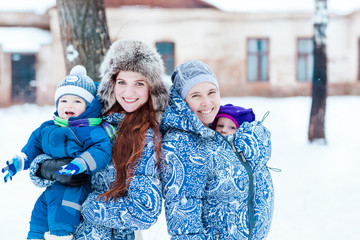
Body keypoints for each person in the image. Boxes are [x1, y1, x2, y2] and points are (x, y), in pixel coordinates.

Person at [30, 39, 169, 240]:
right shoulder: (90, 116)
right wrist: (47, 168)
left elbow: (144, 211)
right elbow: (48, 144)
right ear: (110, 84)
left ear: (152, 88)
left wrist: (84, 204)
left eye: (139, 83)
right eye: (122, 82)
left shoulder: (147, 136)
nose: (128, 92)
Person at [160, 59, 274, 239]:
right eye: (195, 95)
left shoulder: (215, 131)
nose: (206, 103)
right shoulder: (181, 144)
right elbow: (184, 225)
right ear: (182, 102)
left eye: (211, 92)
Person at [1, 65, 112, 240]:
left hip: (77, 184)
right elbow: (33, 147)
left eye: (77, 101)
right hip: (53, 184)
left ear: (89, 106)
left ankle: (60, 235)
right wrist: (19, 162)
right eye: (64, 101)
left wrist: (81, 163)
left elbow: (101, 150)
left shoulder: (90, 129)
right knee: (38, 215)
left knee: (62, 215)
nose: (69, 105)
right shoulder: (47, 128)